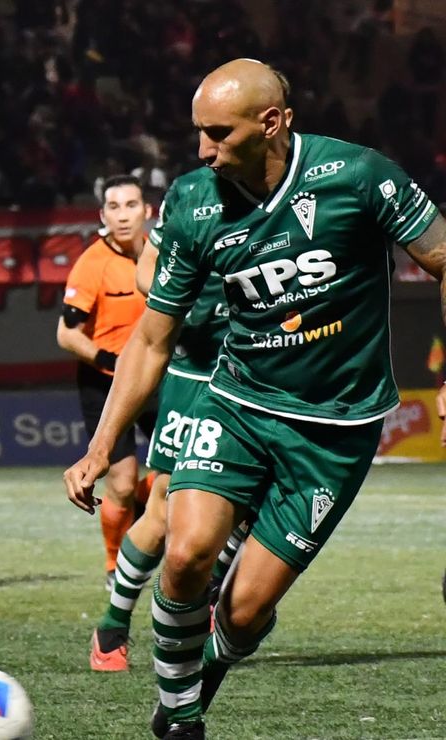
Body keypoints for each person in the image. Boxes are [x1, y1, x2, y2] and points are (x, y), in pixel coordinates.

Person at [64, 58, 446, 740]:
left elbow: (444, 257)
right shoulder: (192, 202)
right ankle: (181, 720)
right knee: (185, 553)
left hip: (335, 430)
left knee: (242, 617)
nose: (202, 149)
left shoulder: (358, 176)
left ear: (272, 123)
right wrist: (99, 446)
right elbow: (152, 338)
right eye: (198, 132)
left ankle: (195, 683)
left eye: (218, 133)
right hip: (237, 402)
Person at [88, 205, 246, 673]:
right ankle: (113, 625)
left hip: (255, 378)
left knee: (250, 507)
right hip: (194, 377)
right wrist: (182, 294)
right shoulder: (196, 199)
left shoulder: (291, 200)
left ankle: (208, 597)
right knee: (162, 506)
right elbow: (148, 268)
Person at [57, 174, 157, 589]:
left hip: (156, 378)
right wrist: (110, 360)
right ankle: (115, 566)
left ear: (147, 211)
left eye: (131, 206)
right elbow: (66, 334)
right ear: (103, 215)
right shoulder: (92, 263)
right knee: (119, 480)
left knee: (179, 472)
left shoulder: (160, 254)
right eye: (114, 207)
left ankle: (142, 501)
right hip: (105, 384)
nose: (123, 216)